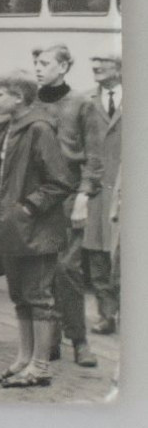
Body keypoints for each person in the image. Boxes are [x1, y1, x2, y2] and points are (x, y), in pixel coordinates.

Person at [0, 69, 73, 388]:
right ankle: (24, 359)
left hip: (36, 231)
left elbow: (60, 182)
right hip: (14, 230)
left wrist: (27, 207)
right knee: (20, 297)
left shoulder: (39, 129)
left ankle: (41, 365)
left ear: (19, 98)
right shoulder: (7, 127)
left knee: (39, 297)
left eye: (0, 92)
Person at [30, 43, 101, 368]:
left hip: (70, 198)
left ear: (63, 67)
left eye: (45, 63)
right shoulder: (30, 102)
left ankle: (79, 341)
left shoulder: (81, 104)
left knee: (66, 269)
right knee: (41, 271)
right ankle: (49, 340)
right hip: (37, 198)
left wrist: (85, 195)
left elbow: (93, 155)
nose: (38, 68)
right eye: (37, 62)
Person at [82, 52, 121, 337]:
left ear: (119, 67)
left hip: (125, 189)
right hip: (96, 190)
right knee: (97, 257)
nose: (95, 66)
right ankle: (106, 316)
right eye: (93, 62)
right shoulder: (86, 101)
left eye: (102, 62)